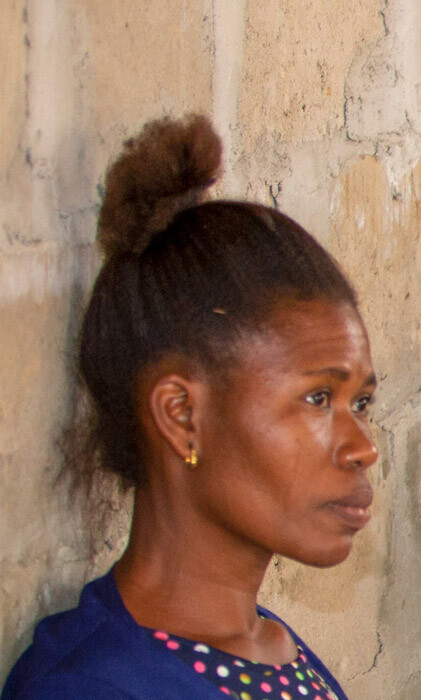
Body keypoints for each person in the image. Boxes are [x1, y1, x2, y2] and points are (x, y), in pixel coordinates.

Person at [3, 115, 371, 699]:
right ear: (181, 416)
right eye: (319, 398)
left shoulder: (274, 651)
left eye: (362, 402)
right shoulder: (91, 689)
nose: (363, 446)